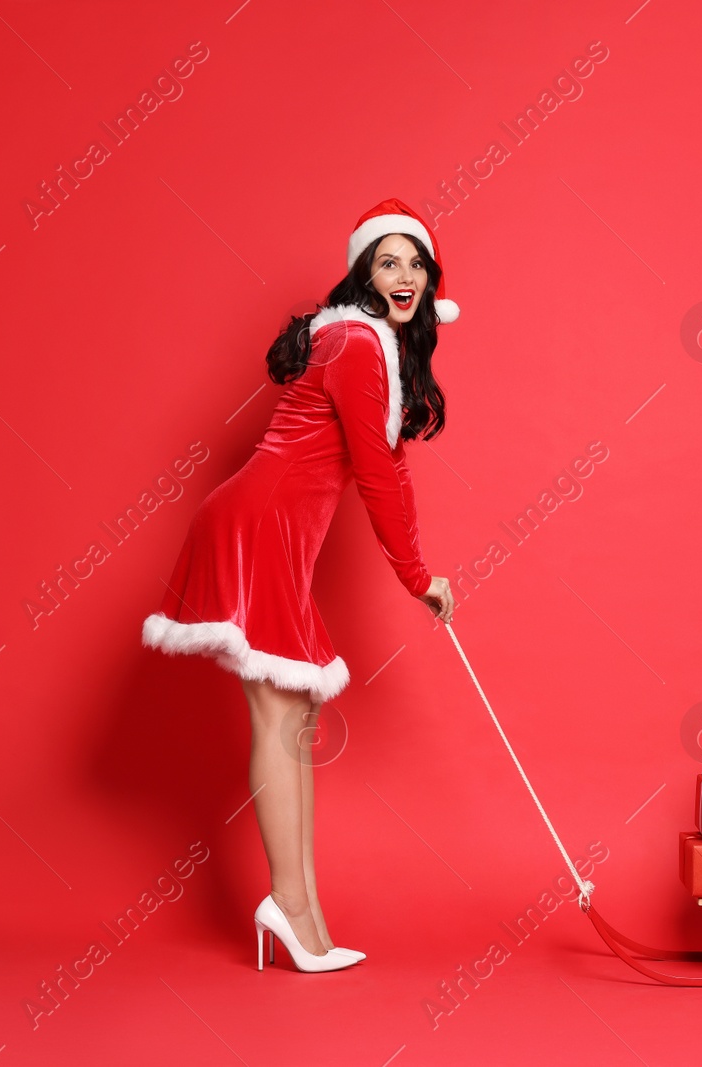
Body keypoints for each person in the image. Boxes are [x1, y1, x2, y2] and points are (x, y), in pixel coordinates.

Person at [141, 199, 461, 973]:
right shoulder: (355, 343)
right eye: (388, 261)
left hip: (278, 534)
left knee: (297, 723)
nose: (406, 275)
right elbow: (378, 472)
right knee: (279, 714)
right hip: (257, 528)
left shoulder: (372, 344)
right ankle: (288, 907)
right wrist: (416, 575)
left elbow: (392, 467)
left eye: (416, 262)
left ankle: (306, 910)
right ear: (363, 272)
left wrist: (420, 568)